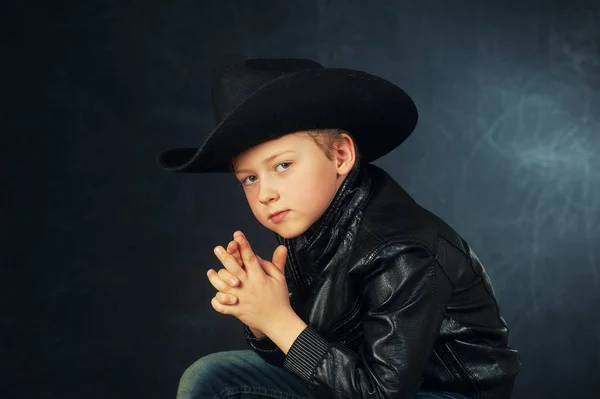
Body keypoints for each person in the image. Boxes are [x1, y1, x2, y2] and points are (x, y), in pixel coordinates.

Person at [157, 59, 522, 399]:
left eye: (282, 165)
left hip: (441, 394)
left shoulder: (402, 249)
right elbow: (312, 358)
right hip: (354, 382)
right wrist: (260, 316)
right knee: (210, 378)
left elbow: (382, 392)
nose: (266, 193)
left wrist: (277, 319)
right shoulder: (309, 227)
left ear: (341, 156)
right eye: (249, 178)